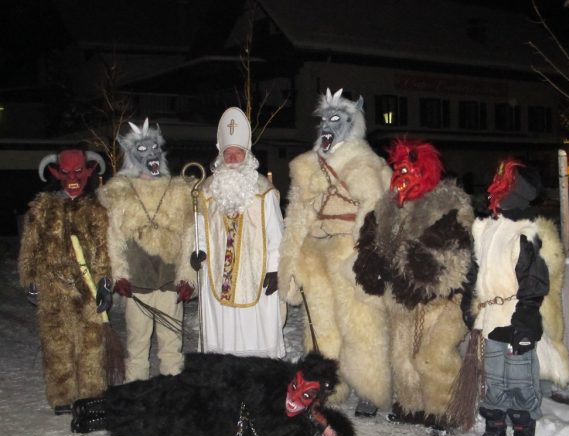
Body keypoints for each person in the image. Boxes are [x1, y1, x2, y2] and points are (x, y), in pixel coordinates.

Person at [278, 88, 392, 416]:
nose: (328, 125)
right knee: (321, 324)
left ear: (351, 123)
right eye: (325, 119)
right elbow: (297, 215)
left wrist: (365, 255)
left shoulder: (363, 162)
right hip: (315, 252)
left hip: (347, 250)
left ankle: (370, 388)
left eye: (336, 119)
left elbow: (372, 210)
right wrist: (290, 261)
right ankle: (328, 385)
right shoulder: (309, 166)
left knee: (360, 322)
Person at [353, 140, 474, 434]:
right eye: (399, 170)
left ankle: (443, 410)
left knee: (433, 356)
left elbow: (453, 253)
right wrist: (371, 264)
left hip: (440, 300)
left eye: (408, 170)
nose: (401, 176)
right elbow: (372, 247)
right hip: (401, 299)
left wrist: (417, 264)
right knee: (402, 355)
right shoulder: (386, 209)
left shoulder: (447, 204)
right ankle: (411, 406)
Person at [469, 158, 569, 436]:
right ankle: (495, 431)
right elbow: (477, 271)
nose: (494, 188)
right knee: (493, 381)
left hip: (514, 318)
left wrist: (524, 321)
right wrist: (471, 306)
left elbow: (534, 279)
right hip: (490, 318)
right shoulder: (486, 227)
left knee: (520, 382)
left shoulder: (525, 231)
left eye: (504, 183)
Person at [70, 351, 356, 436]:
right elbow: (232, 367)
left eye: (307, 394)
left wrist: (322, 423)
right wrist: (196, 368)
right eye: (296, 386)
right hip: (210, 394)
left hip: (212, 427)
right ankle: (99, 403)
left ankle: (100, 421)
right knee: (156, 393)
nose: (295, 397)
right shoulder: (274, 373)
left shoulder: (304, 426)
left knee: (158, 427)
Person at [97, 118, 196, 382]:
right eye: (142, 150)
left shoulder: (177, 191)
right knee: (137, 346)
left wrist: (187, 277)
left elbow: (189, 236)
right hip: (137, 282)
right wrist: (119, 275)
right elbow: (114, 237)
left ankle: (172, 394)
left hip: (169, 280)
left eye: (154, 148)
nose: (151, 154)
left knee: (171, 345)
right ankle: (136, 394)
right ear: (132, 155)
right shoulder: (121, 192)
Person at [18, 149, 112, 414]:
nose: (73, 178)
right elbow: (30, 247)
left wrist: (105, 282)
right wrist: (30, 279)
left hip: (87, 288)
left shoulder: (95, 209)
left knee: (91, 343)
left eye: (78, 172)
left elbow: (104, 249)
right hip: (53, 288)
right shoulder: (42, 208)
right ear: (57, 174)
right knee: (57, 343)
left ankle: (91, 394)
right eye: (67, 172)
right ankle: (62, 396)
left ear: (87, 173)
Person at [190, 106, 285, 358]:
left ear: (247, 156)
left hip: (257, 272)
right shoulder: (206, 191)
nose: (232, 158)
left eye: (238, 153)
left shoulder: (264, 191)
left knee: (256, 329)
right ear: (221, 156)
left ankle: (258, 369)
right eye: (228, 153)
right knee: (221, 334)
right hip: (216, 271)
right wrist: (198, 250)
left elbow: (276, 232)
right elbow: (199, 227)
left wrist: (276, 268)